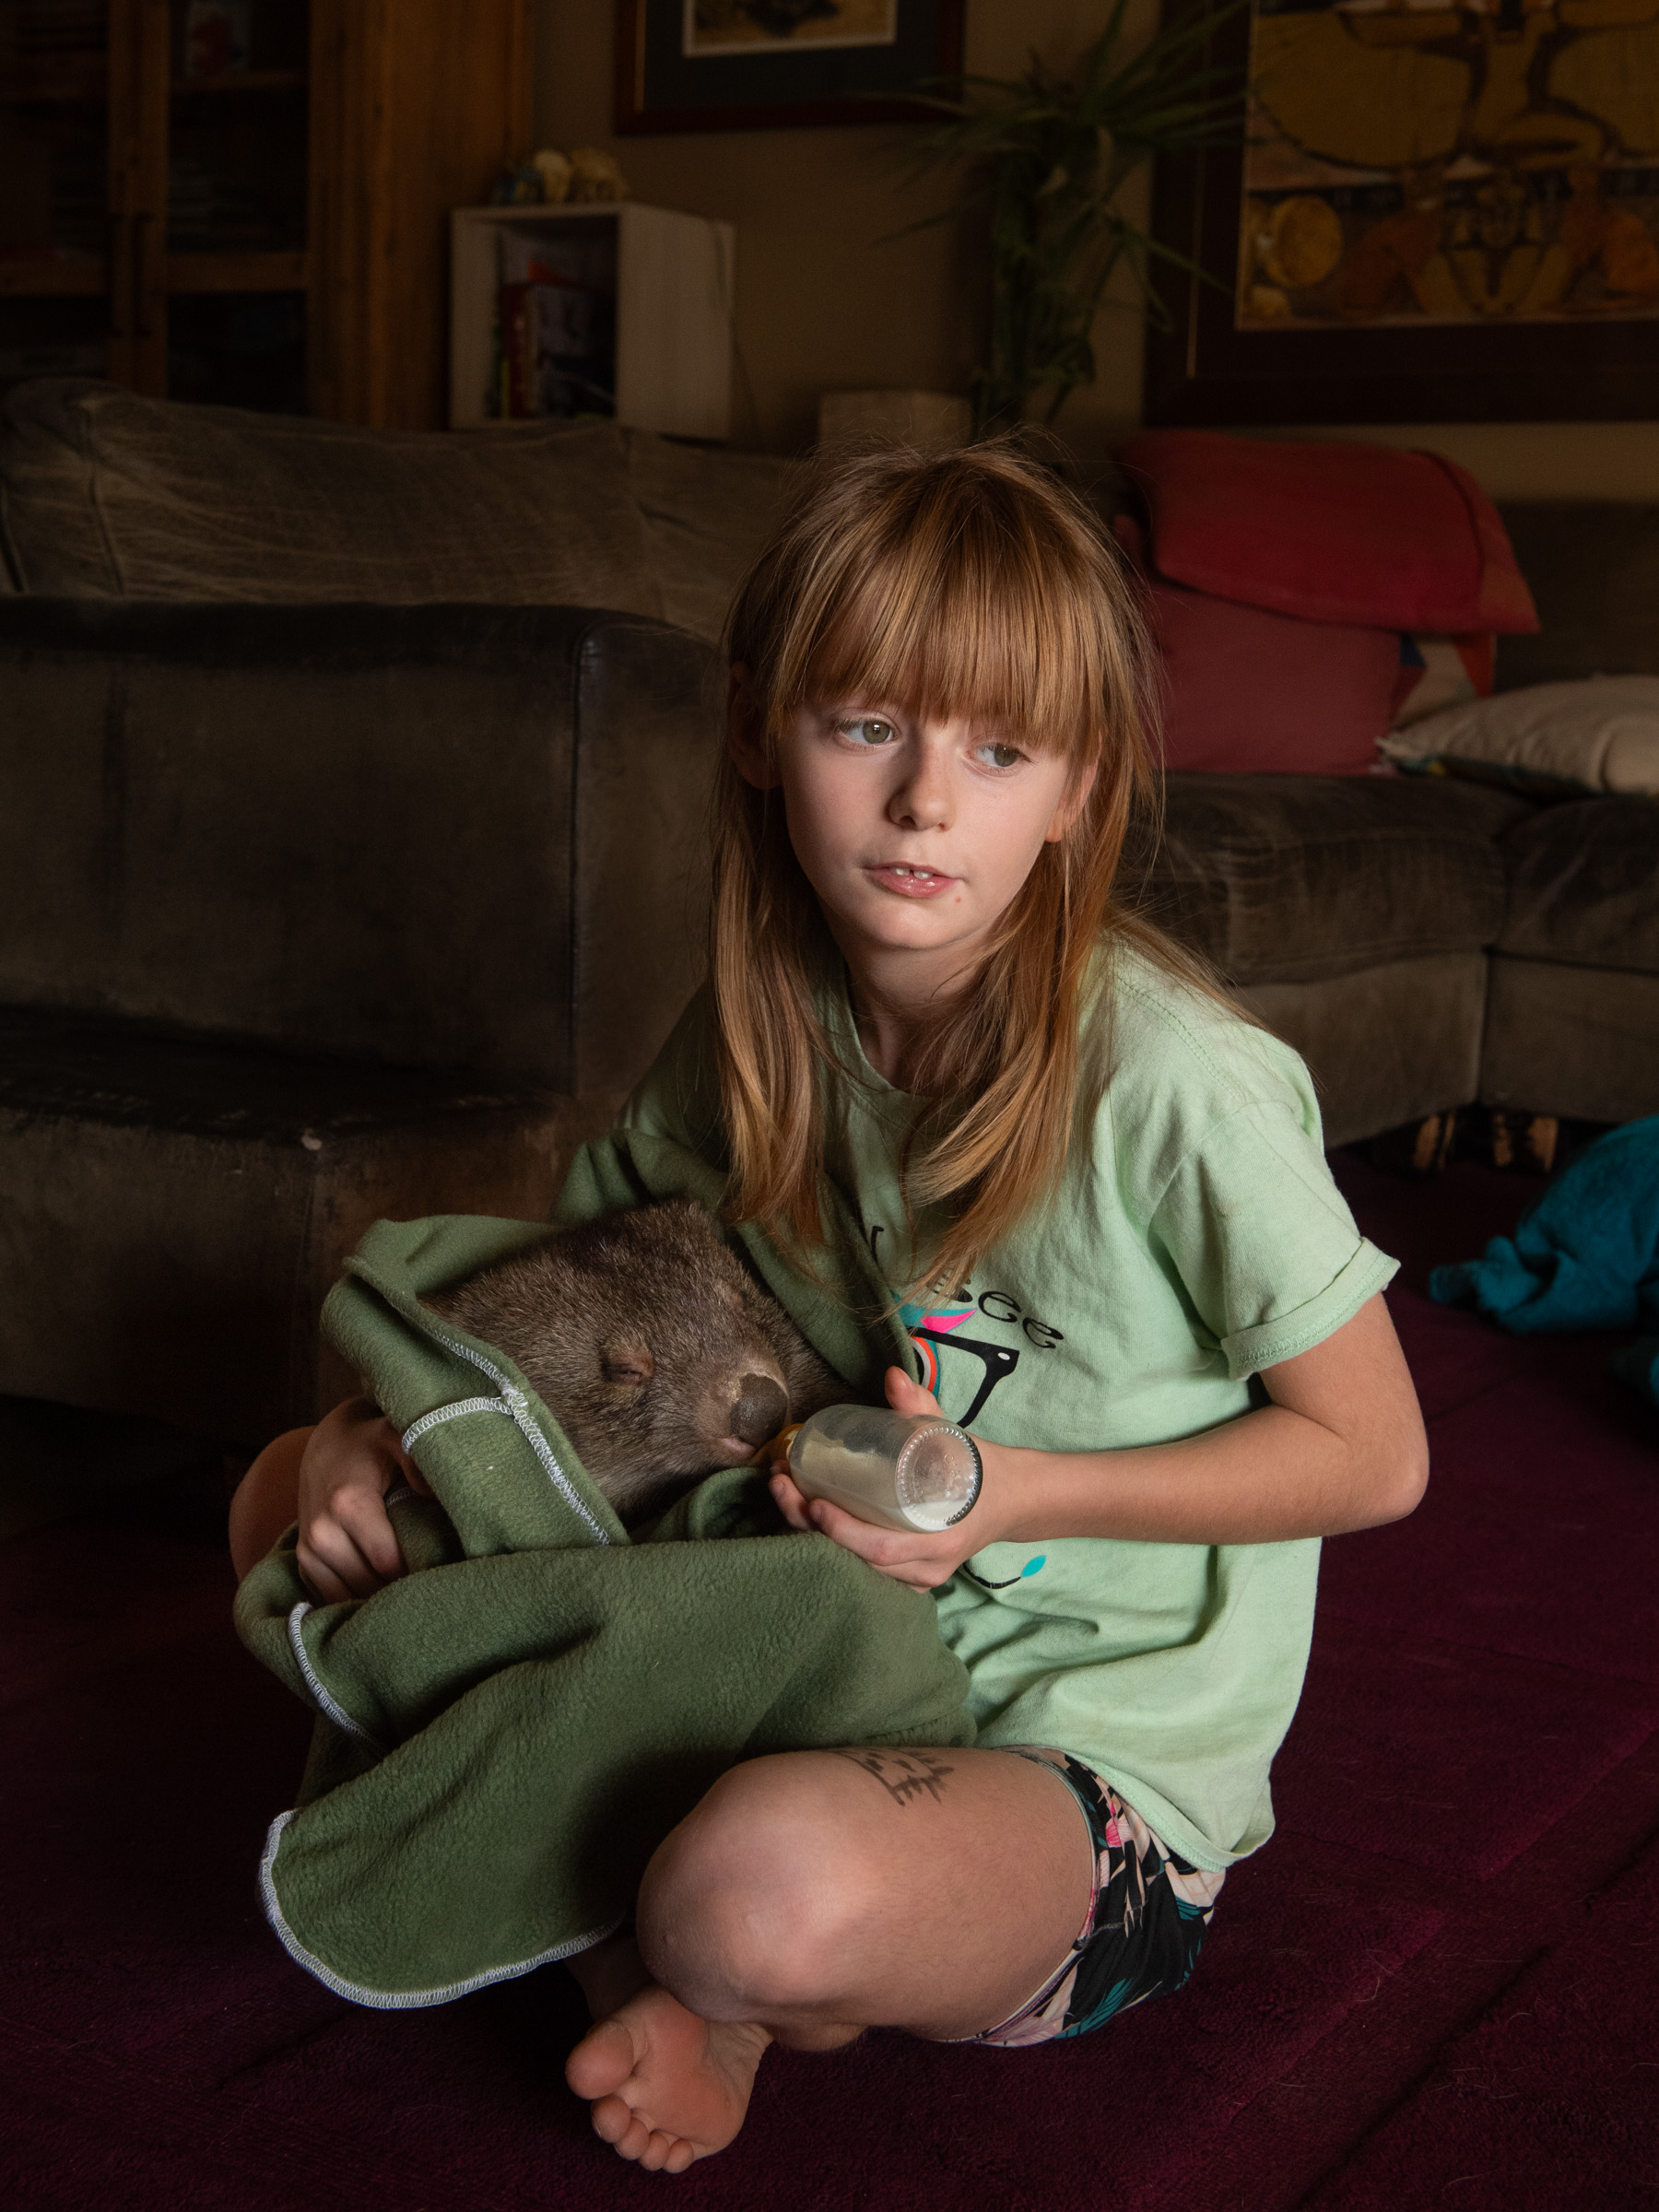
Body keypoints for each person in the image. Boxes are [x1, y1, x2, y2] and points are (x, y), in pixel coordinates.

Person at [229, 442, 1428, 2174]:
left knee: (753, 1900)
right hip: (801, 1633)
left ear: (1079, 789)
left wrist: (1019, 1499)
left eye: (1000, 751)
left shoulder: (1177, 1083)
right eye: (869, 726)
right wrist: (368, 1433)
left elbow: (1375, 1456)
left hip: (1073, 1769)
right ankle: (635, 1940)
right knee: (283, 1496)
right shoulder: (754, 1028)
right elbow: (534, 1320)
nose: (927, 803)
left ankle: (683, 1968)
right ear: (754, 729)